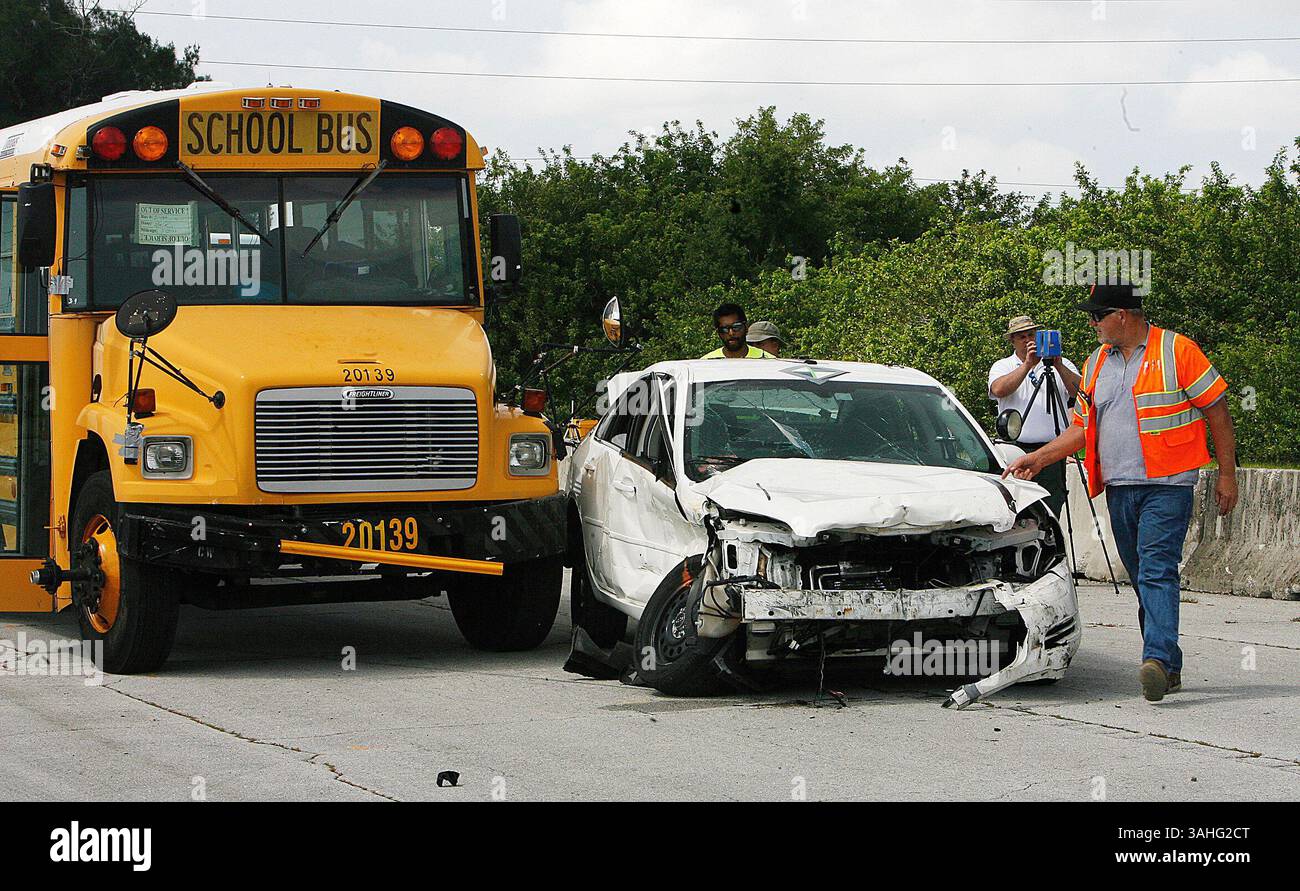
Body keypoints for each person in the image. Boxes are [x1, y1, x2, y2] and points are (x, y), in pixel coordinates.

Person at [1004, 284, 1239, 703]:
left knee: (1156, 570)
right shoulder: (1096, 362)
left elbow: (1218, 411)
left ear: (1123, 314)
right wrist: (1038, 459)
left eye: (1097, 316)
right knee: (1142, 575)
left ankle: (1157, 660)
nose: (1091, 323)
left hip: (1168, 486)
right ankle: (1169, 663)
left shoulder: (1177, 350)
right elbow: (1081, 428)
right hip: (1119, 487)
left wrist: (1227, 475)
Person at [988, 315, 1081, 516]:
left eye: (1031, 335)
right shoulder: (1003, 365)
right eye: (1021, 337)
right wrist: (1028, 365)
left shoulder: (1060, 363)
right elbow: (999, 390)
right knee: (1018, 507)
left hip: (1051, 450)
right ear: (1012, 340)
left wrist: (1058, 365)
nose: (1028, 340)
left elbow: (1080, 392)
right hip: (1015, 449)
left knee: (1052, 505)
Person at [701, 303, 772, 359]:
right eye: (724, 329)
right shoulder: (707, 363)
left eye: (736, 327)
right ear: (718, 332)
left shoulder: (767, 361)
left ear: (746, 327)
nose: (731, 333)